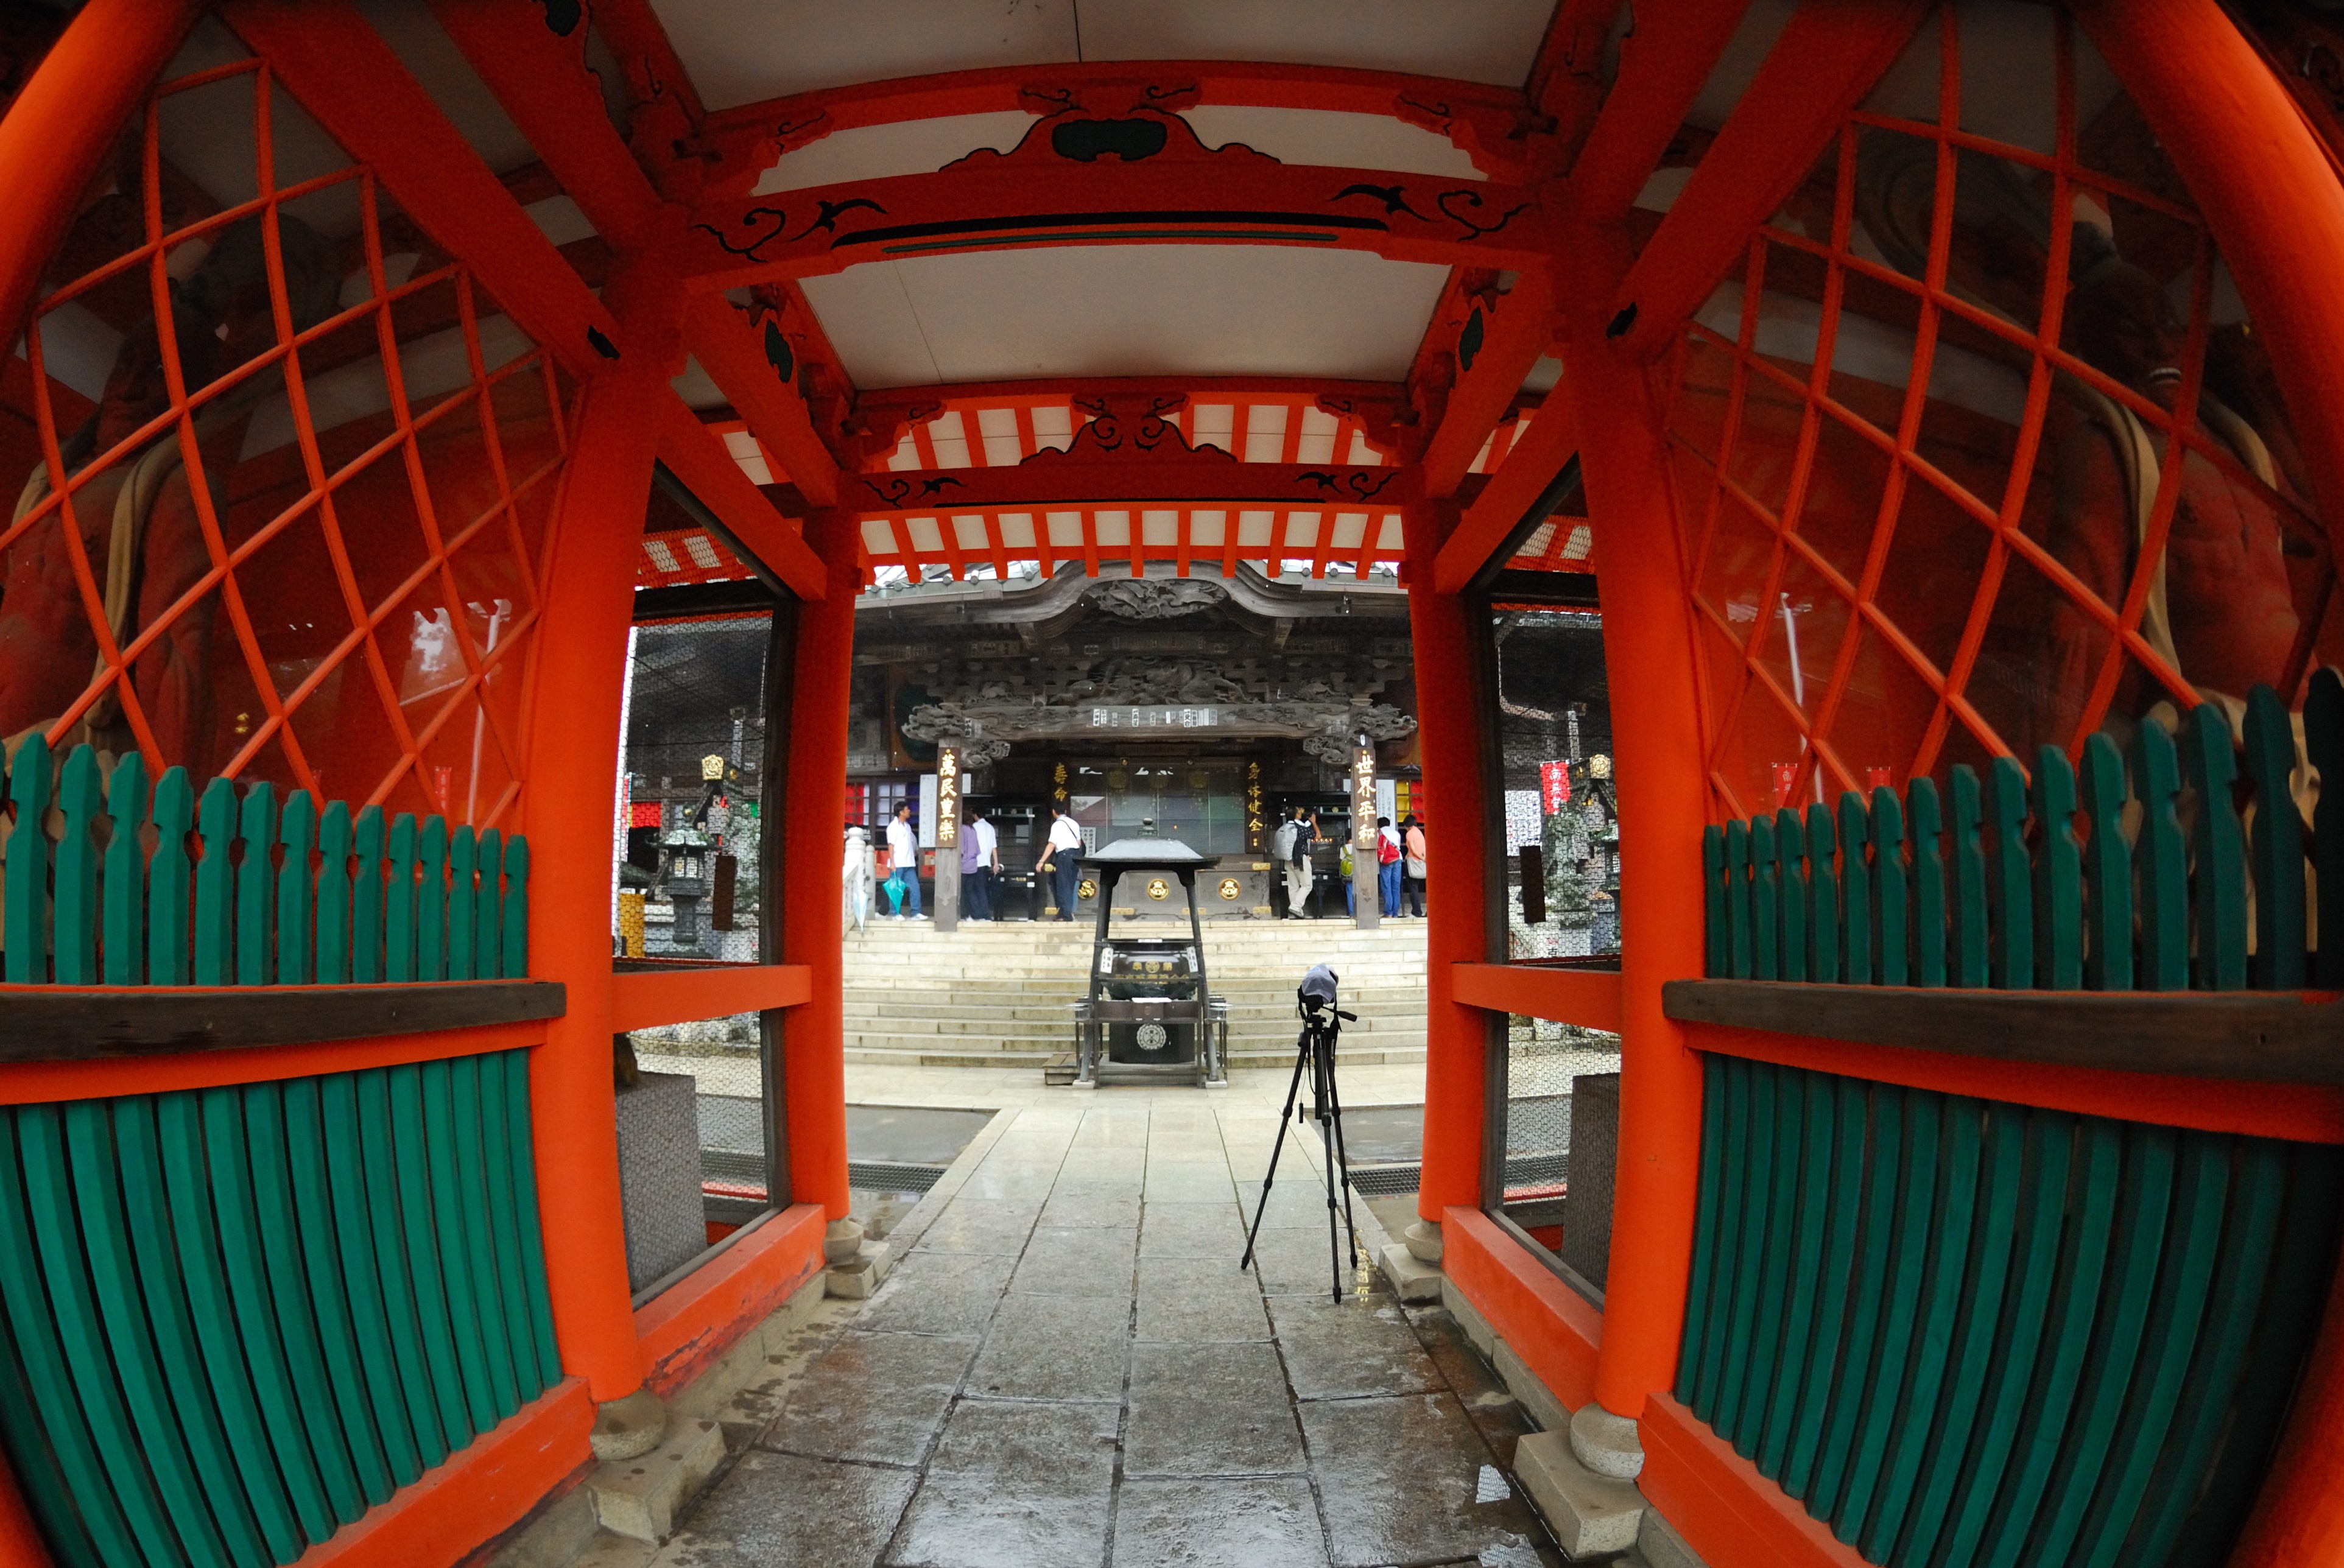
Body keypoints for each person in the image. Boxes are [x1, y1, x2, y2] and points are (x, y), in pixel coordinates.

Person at [1040, 804, 1084, 921]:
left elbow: (1051, 845)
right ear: (1065, 811)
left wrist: (1041, 861)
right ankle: (1064, 913)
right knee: (1070, 886)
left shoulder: (1057, 825)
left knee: (1063, 885)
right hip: (1076, 856)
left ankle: (1066, 915)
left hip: (1064, 856)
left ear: (1054, 812)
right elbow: (1079, 843)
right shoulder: (1074, 823)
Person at [885, 801, 922, 919]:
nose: (909, 811)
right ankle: (895, 913)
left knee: (915, 887)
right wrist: (892, 863)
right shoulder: (893, 827)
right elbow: (891, 845)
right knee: (896, 889)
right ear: (901, 812)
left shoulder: (907, 826)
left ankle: (916, 913)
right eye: (907, 810)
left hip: (909, 863)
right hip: (898, 863)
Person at [1282, 806, 1316, 919]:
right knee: (1307, 885)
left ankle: (1297, 912)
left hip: (1288, 860)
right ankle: (1296, 907)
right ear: (1296, 815)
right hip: (1300, 859)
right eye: (1299, 811)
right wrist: (1313, 822)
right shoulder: (1299, 828)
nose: (1301, 812)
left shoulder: (1285, 828)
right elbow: (1316, 835)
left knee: (1293, 887)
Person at [971, 809, 1000, 920]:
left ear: (975, 815)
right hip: (986, 862)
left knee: (976, 889)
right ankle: (985, 914)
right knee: (983, 888)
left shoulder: (975, 827)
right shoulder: (990, 828)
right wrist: (996, 864)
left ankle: (983, 915)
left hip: (976, 861)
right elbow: (994, 847)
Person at [1376, 815, 1403, 917]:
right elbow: (1398, 846)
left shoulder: (1379, 833)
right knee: (1396, 887)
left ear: (1379, 825)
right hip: (1398, 859)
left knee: (1386, 886)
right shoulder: (1396, 833)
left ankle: (1388, 912)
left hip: (1386, 861)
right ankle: (1395, 913)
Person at [1403, 814, 1426, 917]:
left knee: (1413, 888)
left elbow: (1412, 849)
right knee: (1421, 886)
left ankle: (1416, 912)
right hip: (1421, 863)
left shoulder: (1410, 834)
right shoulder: (1419, 832)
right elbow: (1424, 847)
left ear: (1406, 825)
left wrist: (1420, 858)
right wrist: (1424, 858)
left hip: (1413, 863)